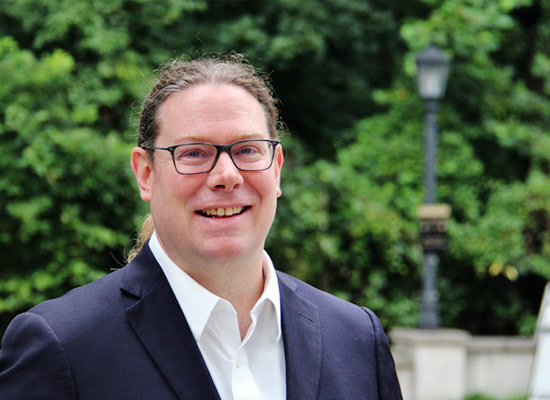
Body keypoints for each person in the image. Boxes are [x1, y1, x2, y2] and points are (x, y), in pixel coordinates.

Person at [0, 54, 402, 399]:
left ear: (276, 170)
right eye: (193, 153)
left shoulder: (355, 340)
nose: (226, 175)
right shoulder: (64, 346)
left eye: (247, 149)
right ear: (145, 173)